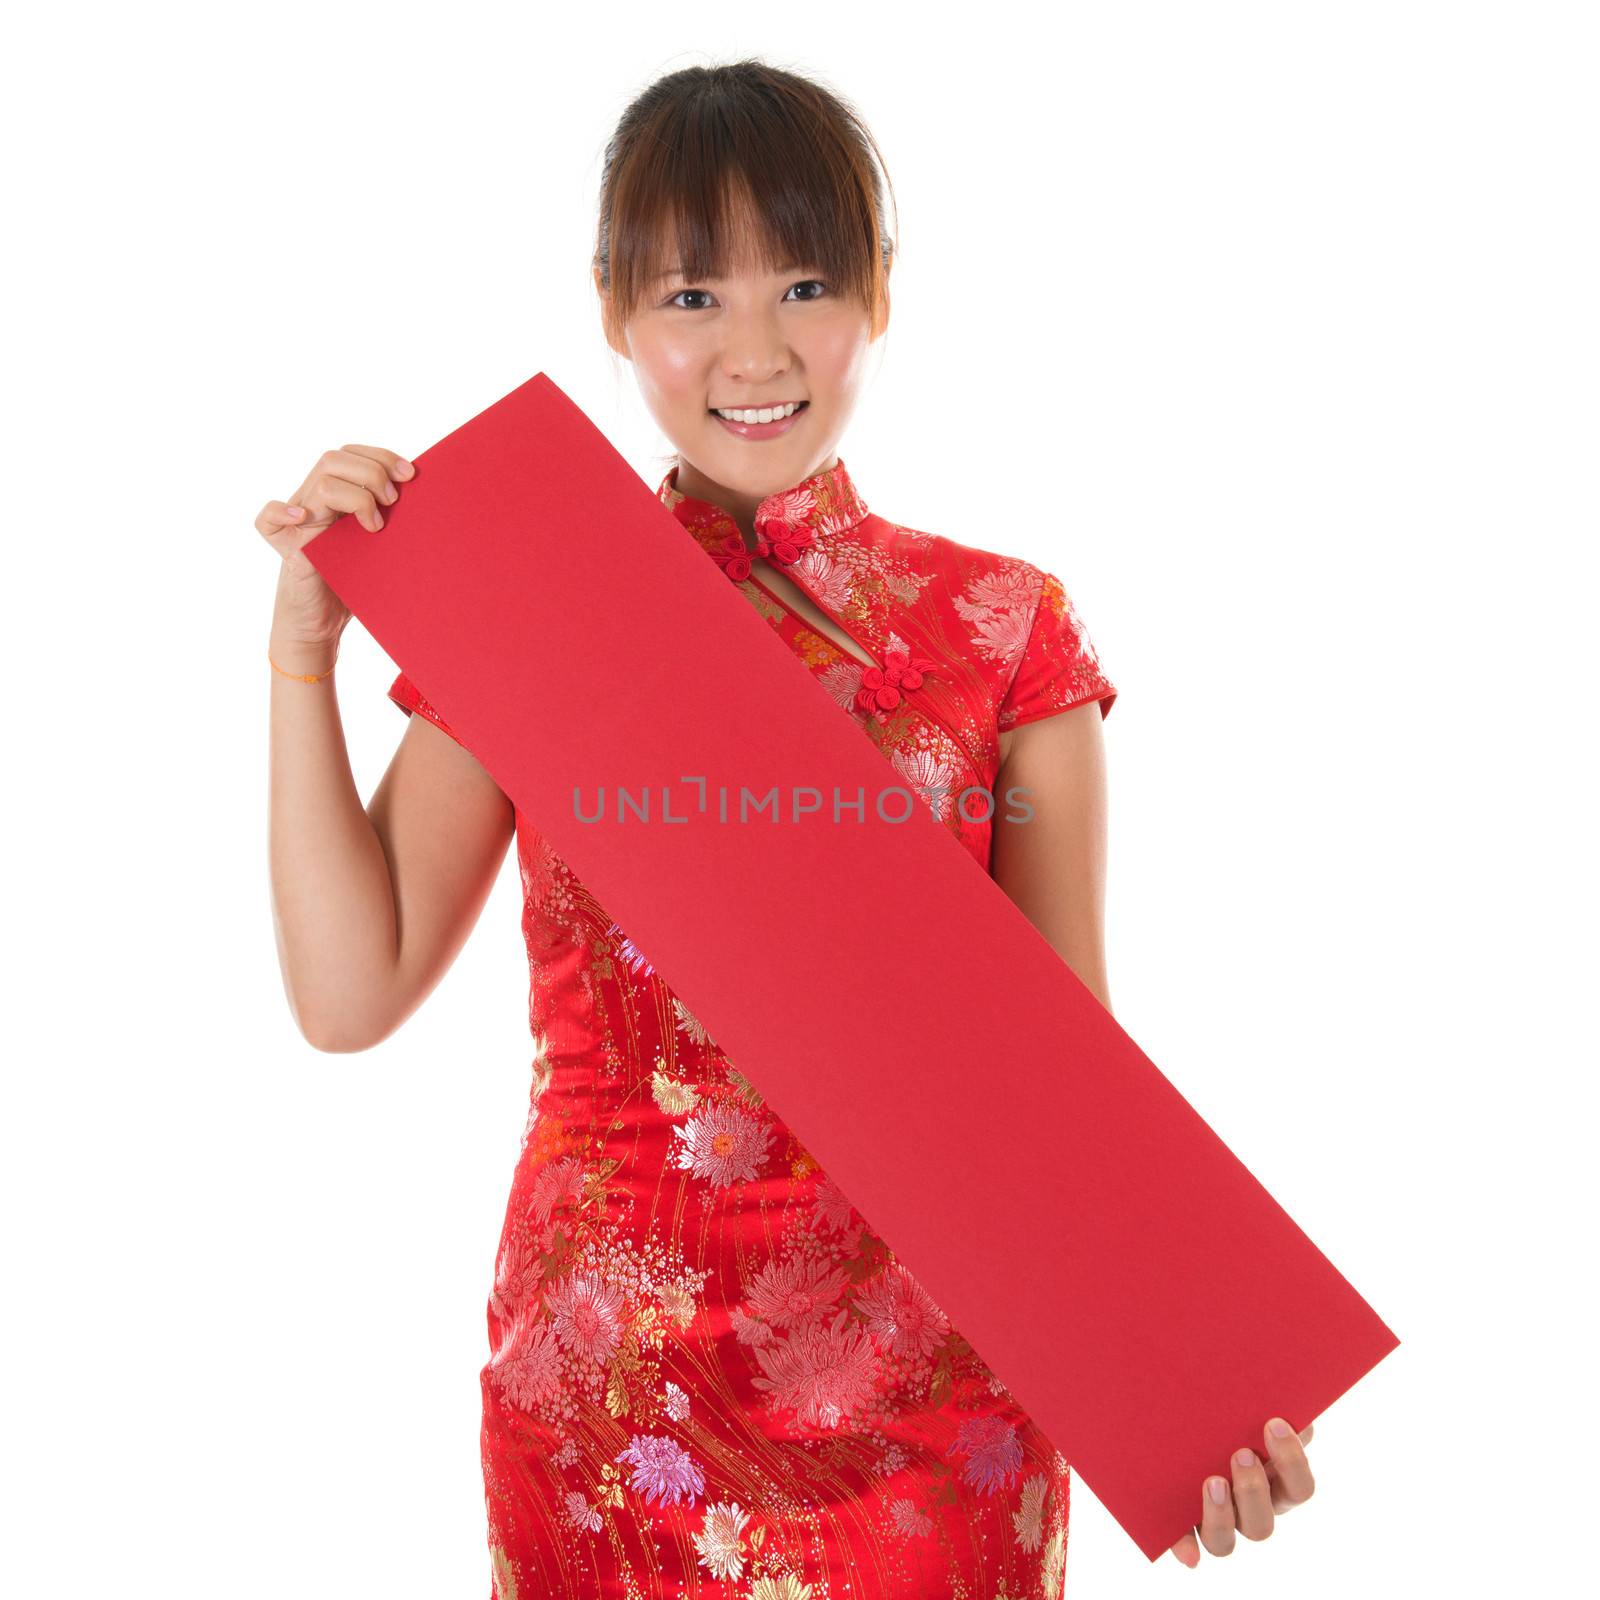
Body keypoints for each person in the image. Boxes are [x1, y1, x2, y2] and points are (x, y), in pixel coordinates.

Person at [258, 57, 1315, 1599]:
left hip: (935, 1421)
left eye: (806, 281)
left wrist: (1194, 1400)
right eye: (692, 295)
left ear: (879, 295)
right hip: (606, 1403)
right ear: (615, 311)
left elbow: (1070, 1076)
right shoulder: (535, 599)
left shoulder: (1000, 627)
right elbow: (352, 994)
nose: (753, 349)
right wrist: (305, 651)